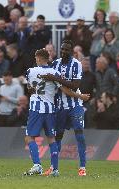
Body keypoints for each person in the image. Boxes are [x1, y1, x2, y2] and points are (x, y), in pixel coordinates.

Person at [23, 48, 89, 177]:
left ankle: (37, 165)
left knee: (29, 137)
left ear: (40, 58)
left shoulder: (30, 71)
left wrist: (33, 88)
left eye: (36, 58)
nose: (35, 60)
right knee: (52, 139)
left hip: (36, 108)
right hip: (51, 109)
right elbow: (66, 90)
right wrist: (80, 96)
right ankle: (55, 169)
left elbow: (30, 88)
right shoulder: (55, 72)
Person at [40, 40, 89, 176]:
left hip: (75, 105)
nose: (63, 52)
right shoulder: (55, 64)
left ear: (72, 52)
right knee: (58, 137)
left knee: (79, 134)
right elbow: (50, 82)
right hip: (60, 107)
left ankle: (82, 168)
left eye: (66, 50)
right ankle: (53, 167)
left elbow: (74, 85)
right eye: (62, 49)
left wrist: (55, 78)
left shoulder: (76, 65)